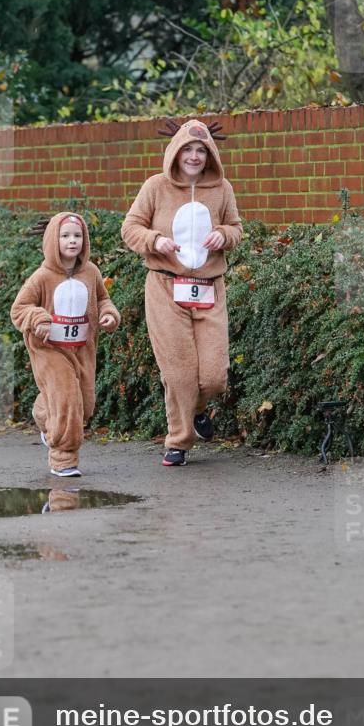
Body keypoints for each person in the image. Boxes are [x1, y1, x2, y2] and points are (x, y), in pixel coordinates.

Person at [121, 118, 242, 466]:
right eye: (187, 149)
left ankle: (199, 410)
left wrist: (224, 234)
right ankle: (179, 441)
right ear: (175, 151)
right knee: (178, 374)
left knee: (215, 377)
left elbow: (236, 228)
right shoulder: (156, 187)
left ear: (210, 154)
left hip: (209, 290)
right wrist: (154, 241)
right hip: (164, 286)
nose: (194, 156)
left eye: (201, 151)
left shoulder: (223, 189)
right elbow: (130, 228)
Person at [11, 212, 120, 477]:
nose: (72, 241)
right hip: (49, 349)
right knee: (68, 401)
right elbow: (19, 309)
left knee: (83, 404)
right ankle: (63, 459)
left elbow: (103, 300)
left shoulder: (91, 272)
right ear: (53, 240)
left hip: (81, 348)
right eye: (65, 236)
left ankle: (46, 416)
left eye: (77, 235)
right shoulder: (42, 276)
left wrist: (109, 315)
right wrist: (39, 318)